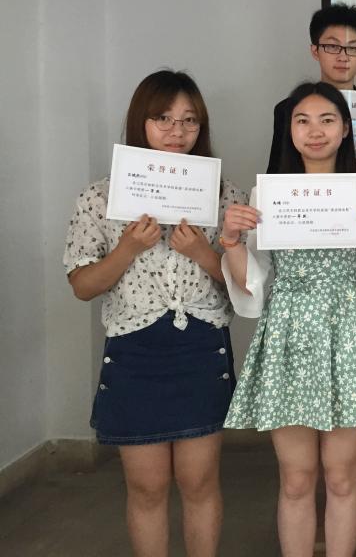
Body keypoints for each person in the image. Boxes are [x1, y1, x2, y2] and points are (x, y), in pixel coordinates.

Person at [63, 70, 246, 557]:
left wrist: (203, 253)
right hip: (134, 351)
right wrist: (126, 249)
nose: (176, 131)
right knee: (146, 487)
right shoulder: (100, 197)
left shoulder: (224, 195)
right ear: (139, 122)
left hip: (200, 347)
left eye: (189, 120)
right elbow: (82, 286)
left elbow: (244, 291)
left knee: (199, 482)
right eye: (163, 118)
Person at [220, 82, 356, 557]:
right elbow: (253, 283)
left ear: (346, 129)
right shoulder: (268, 194)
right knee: (297, 479)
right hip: (288, 333)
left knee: (343, 477)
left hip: (348, 332)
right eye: (303, 121)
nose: (315, 131)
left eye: (327, 120)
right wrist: (232, 243)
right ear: (289, 130)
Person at [267, 3, 356, 177]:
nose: (343, 57)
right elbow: (277, 173)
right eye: (332, 46)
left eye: (353, 48)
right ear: (315, 51)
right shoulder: (289, 109)